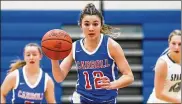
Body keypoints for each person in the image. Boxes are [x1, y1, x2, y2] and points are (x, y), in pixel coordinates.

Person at [50, 3, 134, 104]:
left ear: (101, 25)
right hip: (82, 98)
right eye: (86, 24)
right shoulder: (74, 47)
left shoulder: (111, 46)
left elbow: (129, 76)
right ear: (80, 25)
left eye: (95, 24)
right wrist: (54, 59)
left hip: (107, 100)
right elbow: (59, 78)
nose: (91, 28)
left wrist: (113, 84)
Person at [147, 29, 181, 103]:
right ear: (169, 44)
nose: (176, 47)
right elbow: (158, 94)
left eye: (180, 44)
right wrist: (179, 101)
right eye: (173, 43)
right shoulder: (163, 63)